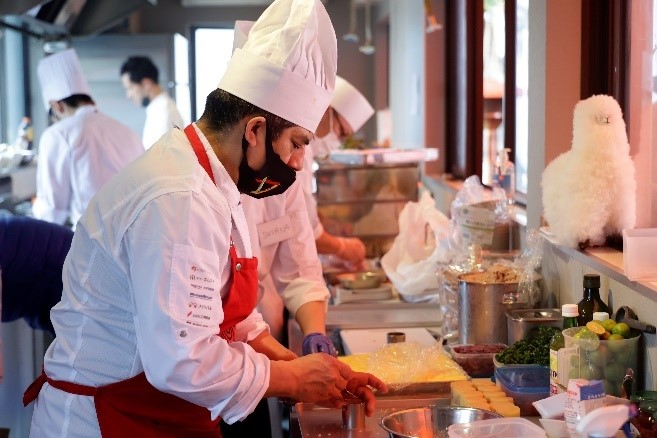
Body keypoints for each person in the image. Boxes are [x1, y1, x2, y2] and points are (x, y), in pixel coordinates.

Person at [24, 1, 386, 436]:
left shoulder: (212, 180)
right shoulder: (180, 196)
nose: (297, 161)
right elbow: (181, 359)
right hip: (105, 420)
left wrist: (306, 368)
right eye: (295, 142)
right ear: (253, 131)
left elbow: (225, 313)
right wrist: (292, 379)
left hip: (152, 412)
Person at [32, 48, 144, 229]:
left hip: (90, 245)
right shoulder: (128, 133)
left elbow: (51, 213)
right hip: (133, 241)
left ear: (57, 106)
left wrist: (36, 207)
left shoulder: (58, 134)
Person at [298, 76, 376, 267]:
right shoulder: (301, 152)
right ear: (325, 111)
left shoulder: (306, 151)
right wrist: (343, 247)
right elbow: (305, 230)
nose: (338, 142)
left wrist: (328, 224)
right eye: (341, 132)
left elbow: (301, 211)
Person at [120, 56, 185, 149]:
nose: (128, 95)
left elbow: (161, 160)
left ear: (146, 84)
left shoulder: (163, 111)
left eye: (130, 88)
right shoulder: (158, 108)